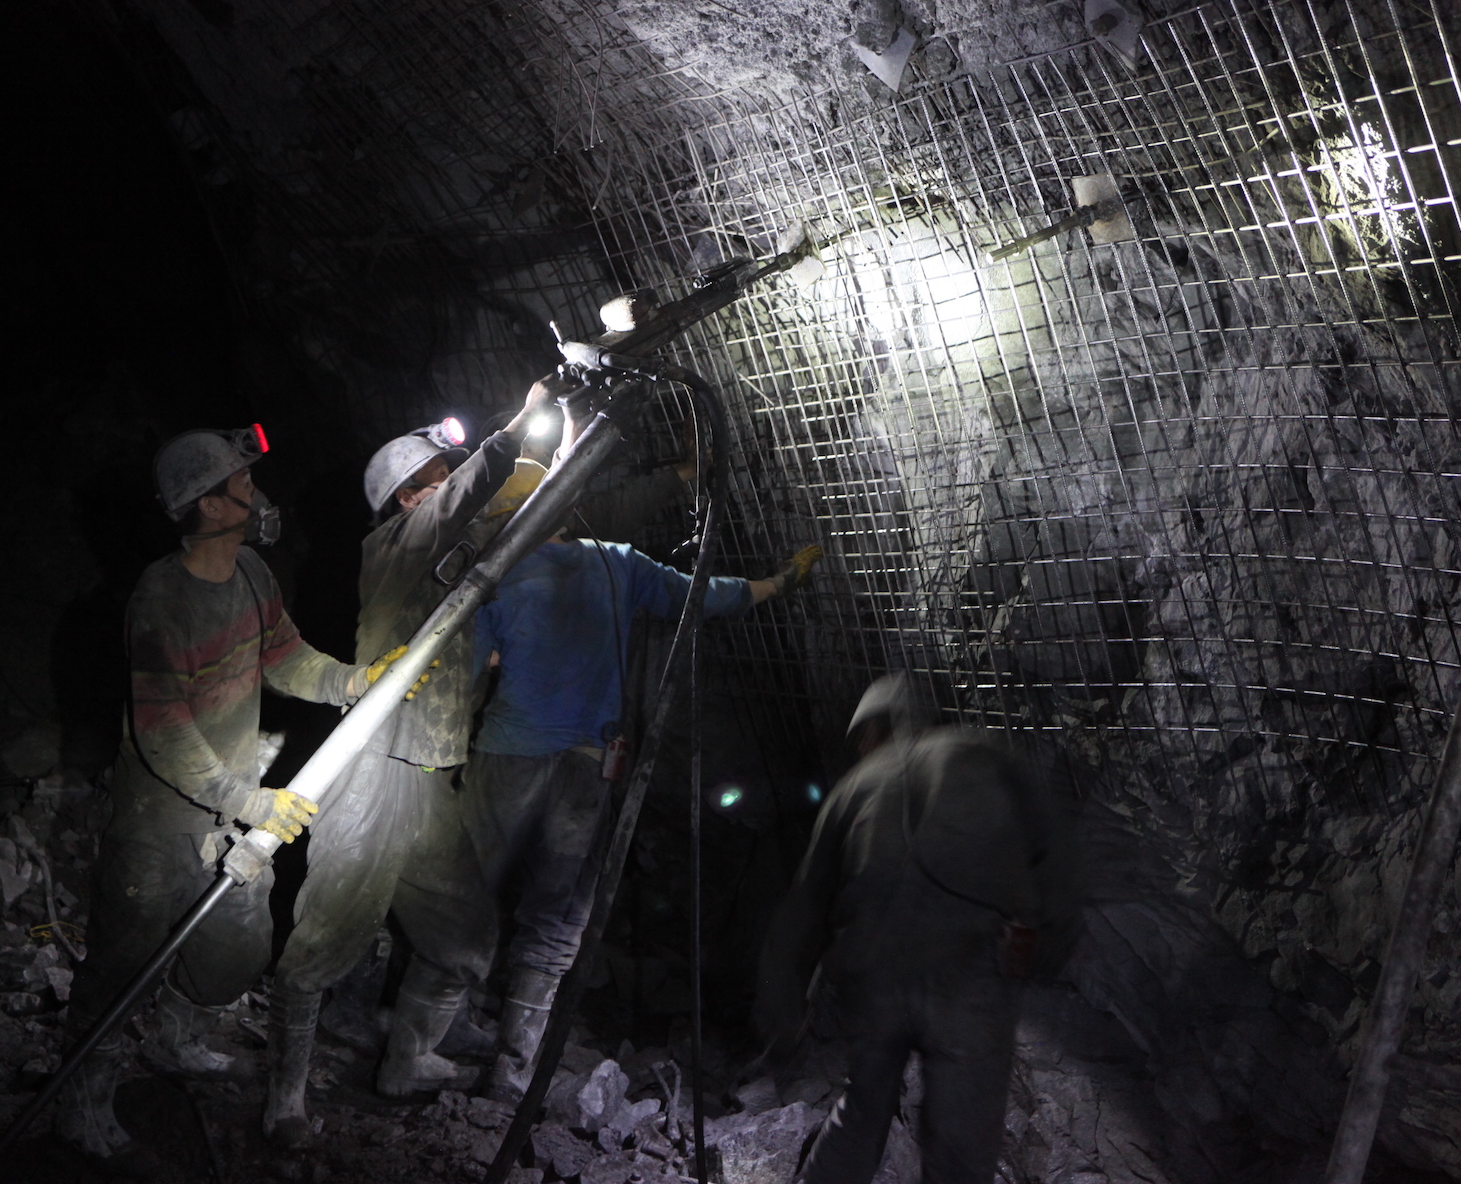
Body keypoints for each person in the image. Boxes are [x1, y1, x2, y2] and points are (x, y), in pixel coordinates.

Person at [463, 432, 823, 1102]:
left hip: (507, 755)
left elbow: (472, 665)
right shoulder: (618, 564)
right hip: (586, 764)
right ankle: (511, 1069)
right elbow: (703, 597)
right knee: (557, 913)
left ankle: (439, 1030)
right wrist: (780, 583)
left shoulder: (494, 574)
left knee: (468, 890)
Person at [59, 425, 373, 1176]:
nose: (257, 498)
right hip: (160, 814)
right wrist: (251, 803)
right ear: (205, 506)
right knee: (125, 960)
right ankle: (81, 1107)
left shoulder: (255, 575)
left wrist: (352, 682)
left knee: (234, 944)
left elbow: (286, 656)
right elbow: (163, 737)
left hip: (231, 793)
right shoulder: (160, 601)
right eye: (242, 486)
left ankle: (176, 1039)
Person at [264, 378, 559, 1145]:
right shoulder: (395, 545)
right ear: (407, 500)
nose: (452, 493)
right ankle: (284, 1097)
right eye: (436, 481)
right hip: (371, 773)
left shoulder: (454, 562)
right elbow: (473, 490)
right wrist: (520, 420)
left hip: (429, 779)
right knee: (322, 942)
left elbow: (528, 501)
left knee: (465, 938)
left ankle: (409, 1061)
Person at [754, 676, 1081, 1184]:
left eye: (862, 737)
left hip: (875, 975)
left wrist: (780, 1008)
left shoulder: (851, 789)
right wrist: (1047, 942)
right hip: (969, 975)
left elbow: (803, 908)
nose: (861, 748)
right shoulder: (983, 752)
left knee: (861, 1111)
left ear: (875, 729)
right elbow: (1056, 854)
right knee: (962, 1140)